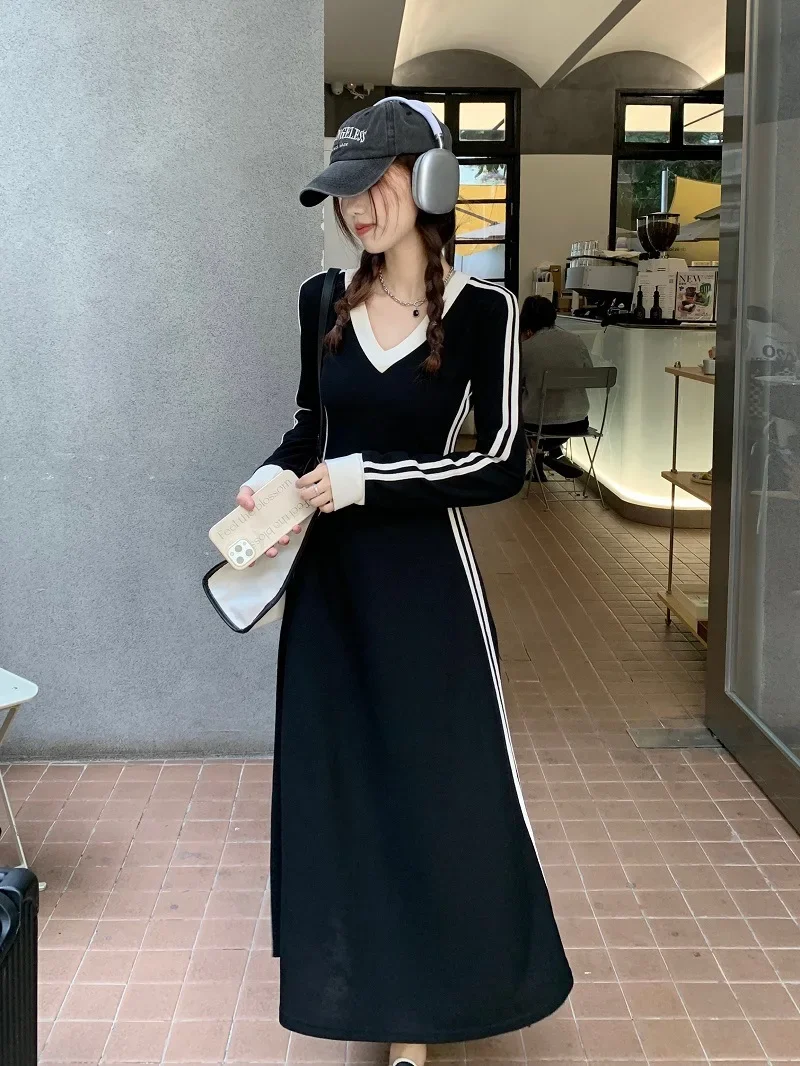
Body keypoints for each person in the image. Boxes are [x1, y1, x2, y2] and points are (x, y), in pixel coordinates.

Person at [235, 98, 572, 1066]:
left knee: (440, 789)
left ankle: (429, 1014)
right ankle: (366, 991)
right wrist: (270, 477)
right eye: (343, 195)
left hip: (426, 593)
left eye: (372, 186)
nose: (356, 210)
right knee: (341, 786)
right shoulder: (319, 300)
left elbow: (499, 464)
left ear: (427, 182)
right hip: (332, 592)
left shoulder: (485, 313)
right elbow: (311, 427)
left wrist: (368, 480)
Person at [520, 295, 594, 480]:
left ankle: (537, 459)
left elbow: (515, 382)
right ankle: (551, 455)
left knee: (518, 408)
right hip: (578, 422)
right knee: (544, 405)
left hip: (538, 425)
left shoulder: (526, 348)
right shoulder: (576, 341)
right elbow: (589, 375)